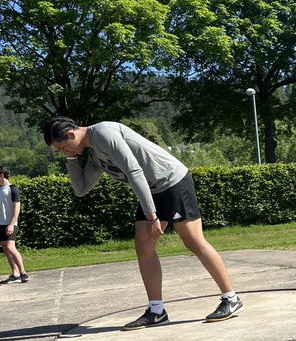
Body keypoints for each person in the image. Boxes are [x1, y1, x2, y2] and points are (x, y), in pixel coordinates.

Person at [43, 118, 243, 330]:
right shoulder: (94, 154)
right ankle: (156, 311)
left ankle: (231, 299)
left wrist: (151, 216)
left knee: (193, 240)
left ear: (71, 134)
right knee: (143, 245)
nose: (64, 152)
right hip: (153, 189)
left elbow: (134, 171)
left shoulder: (104, 134)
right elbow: (81, 189)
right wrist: (71, 159)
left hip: (172, 181)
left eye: (62, 148)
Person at [0, 167, 30, 284]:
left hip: (9, 223)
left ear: (2, 175)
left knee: (11, 247)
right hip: (0, 223)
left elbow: (17, 207)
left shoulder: (13, 189)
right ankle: (15, 274)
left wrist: (12, 224)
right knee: (5, 247)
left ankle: (23, 273)